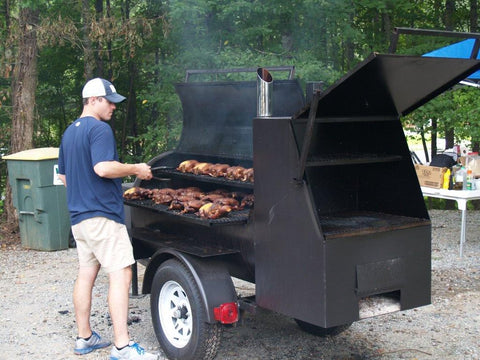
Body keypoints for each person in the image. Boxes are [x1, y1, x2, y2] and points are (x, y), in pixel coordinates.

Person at [58, 78, 158, 360]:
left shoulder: (69, 133)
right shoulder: (99, 129)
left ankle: (84, 338)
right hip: (102, 216)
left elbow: (64, 177)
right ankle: (123, 347)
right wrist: (135, 168)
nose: (114, 106)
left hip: (79, 218)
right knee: (122, 272)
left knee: (86, 273)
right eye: (109, 101)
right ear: (92, 100)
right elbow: (102, 168)